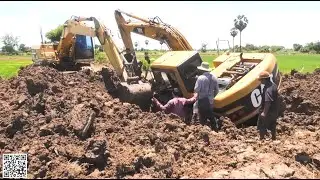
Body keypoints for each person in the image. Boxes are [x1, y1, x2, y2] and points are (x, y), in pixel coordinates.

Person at [192, 62, 219, 128]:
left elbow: (196, 89)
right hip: (210, 101)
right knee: (211, 116)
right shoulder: (214, 77)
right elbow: (217, 90)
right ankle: (215, 130)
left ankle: (203, 130)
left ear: (202, 70)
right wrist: (212, 97)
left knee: (202, 118)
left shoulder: (201, 78)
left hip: (202, 101)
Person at [257, 70, 279, 140]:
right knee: (273, 124)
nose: (260, 81)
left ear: (264, 79)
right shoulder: (274, 85)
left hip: (268, 111)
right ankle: (273, 137)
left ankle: (262, 139)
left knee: (262, 125)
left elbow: (267, 101)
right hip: (274, 110)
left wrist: (264, 112)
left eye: (261, 80)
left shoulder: (268, 89)